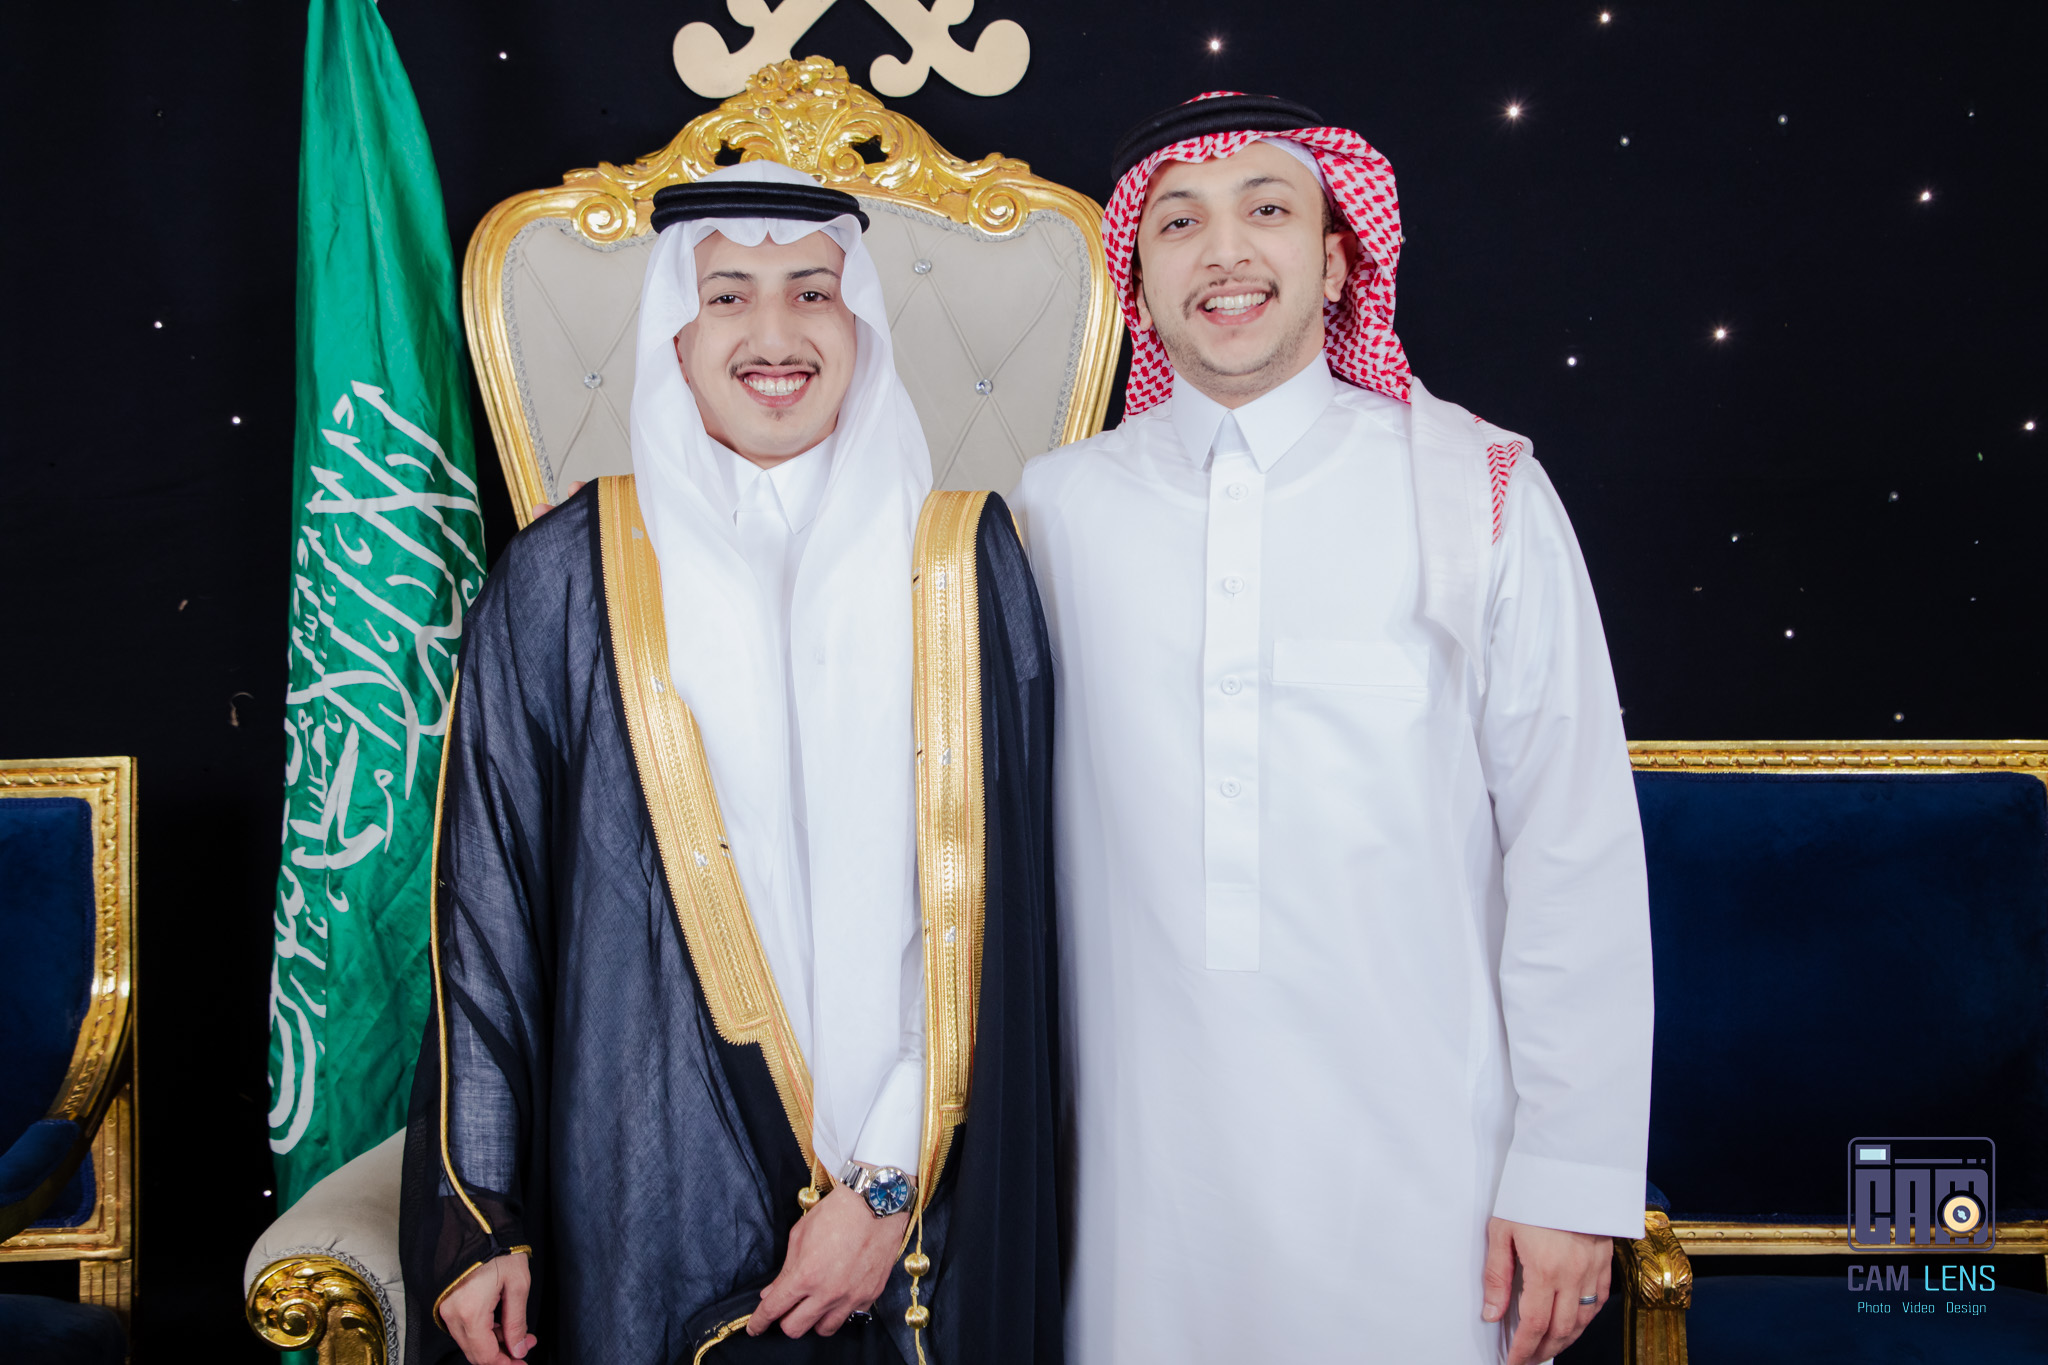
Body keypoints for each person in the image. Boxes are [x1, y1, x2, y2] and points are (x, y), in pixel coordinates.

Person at [1011, 93, 1654, 1364]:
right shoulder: (1053, 512)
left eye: (1267, 210)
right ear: (1136, 280)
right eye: (1178, 222)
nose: (1224, 252)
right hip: (1135, 1187)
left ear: (1338, 257)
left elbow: (1569, 842)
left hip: (1426, 1184)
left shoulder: (1478, 486)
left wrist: (1569, 1175)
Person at [399, 161, 1061, 1365]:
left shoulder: (966, 563)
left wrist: (883, 1187)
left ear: (860, 322)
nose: (773, 335)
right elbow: (488, 919)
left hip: (930, 1194)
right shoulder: (564, 578)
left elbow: (1005, 922)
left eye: (812, 292)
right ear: (675, 333)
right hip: (648, 1189)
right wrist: (479, 1215)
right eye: (727, 297)